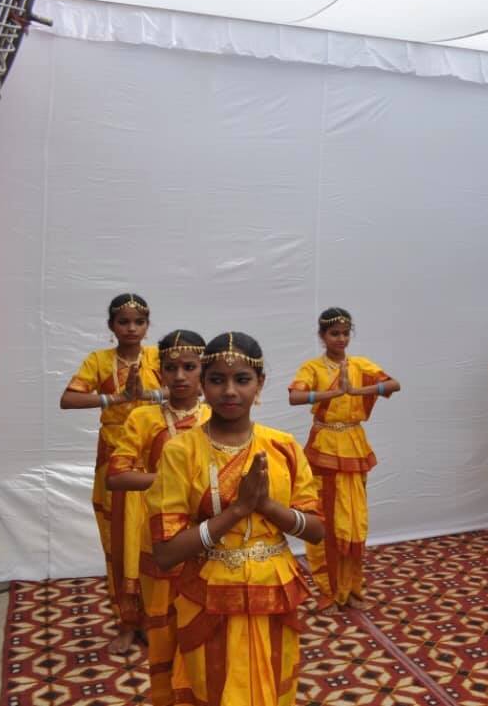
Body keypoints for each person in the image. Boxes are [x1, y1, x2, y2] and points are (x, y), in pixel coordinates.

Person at [147, 331, 324, 705]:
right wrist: (238, 511)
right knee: (214, 689)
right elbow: (165, 553)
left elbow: (317, 530)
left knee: (273, 688)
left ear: (260, 383)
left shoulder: (283, 447)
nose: (229, 391)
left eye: (242, 379)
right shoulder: (181, 452)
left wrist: (266, 505)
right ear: (203, 384)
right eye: (217, 380)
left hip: (274, 592)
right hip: (208, 596)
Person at [107, 330, 209, 705]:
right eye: (171, 368)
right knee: (163, 626)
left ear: (204, 370)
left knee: (204, 622)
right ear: (160, 372)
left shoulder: (215, 416)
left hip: (206, 538)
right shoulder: (143, 417)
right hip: (159, 537)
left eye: (189, 367)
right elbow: (116, 476)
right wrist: (172, 481)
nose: (180, 376)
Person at [60, 292, 163, 654]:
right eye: (124, 321)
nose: (132, 328)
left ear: (147, 326)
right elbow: (68, 399)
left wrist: (147, 395)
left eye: (139, 322)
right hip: (116, 461)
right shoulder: (99, 361)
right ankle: (126, 622)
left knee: (153, 539)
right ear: (111, 326)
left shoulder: (159, 358)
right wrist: (114, 399)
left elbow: (188, 389)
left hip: (152, 457)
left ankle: (153, 618)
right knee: (118, 542)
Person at [288, 308, 399, 611]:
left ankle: (352, 589)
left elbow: (394, 384)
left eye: (345, 333)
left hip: (354, 444)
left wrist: (358, 390)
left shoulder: (360, 365)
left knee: (353, 521)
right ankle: (329, 589)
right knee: (327, 519)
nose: (340, 338)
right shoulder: (313, 368)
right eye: (334, 333)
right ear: (322, 336)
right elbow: (295, 397)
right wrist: (332, 394)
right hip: (325, 446)